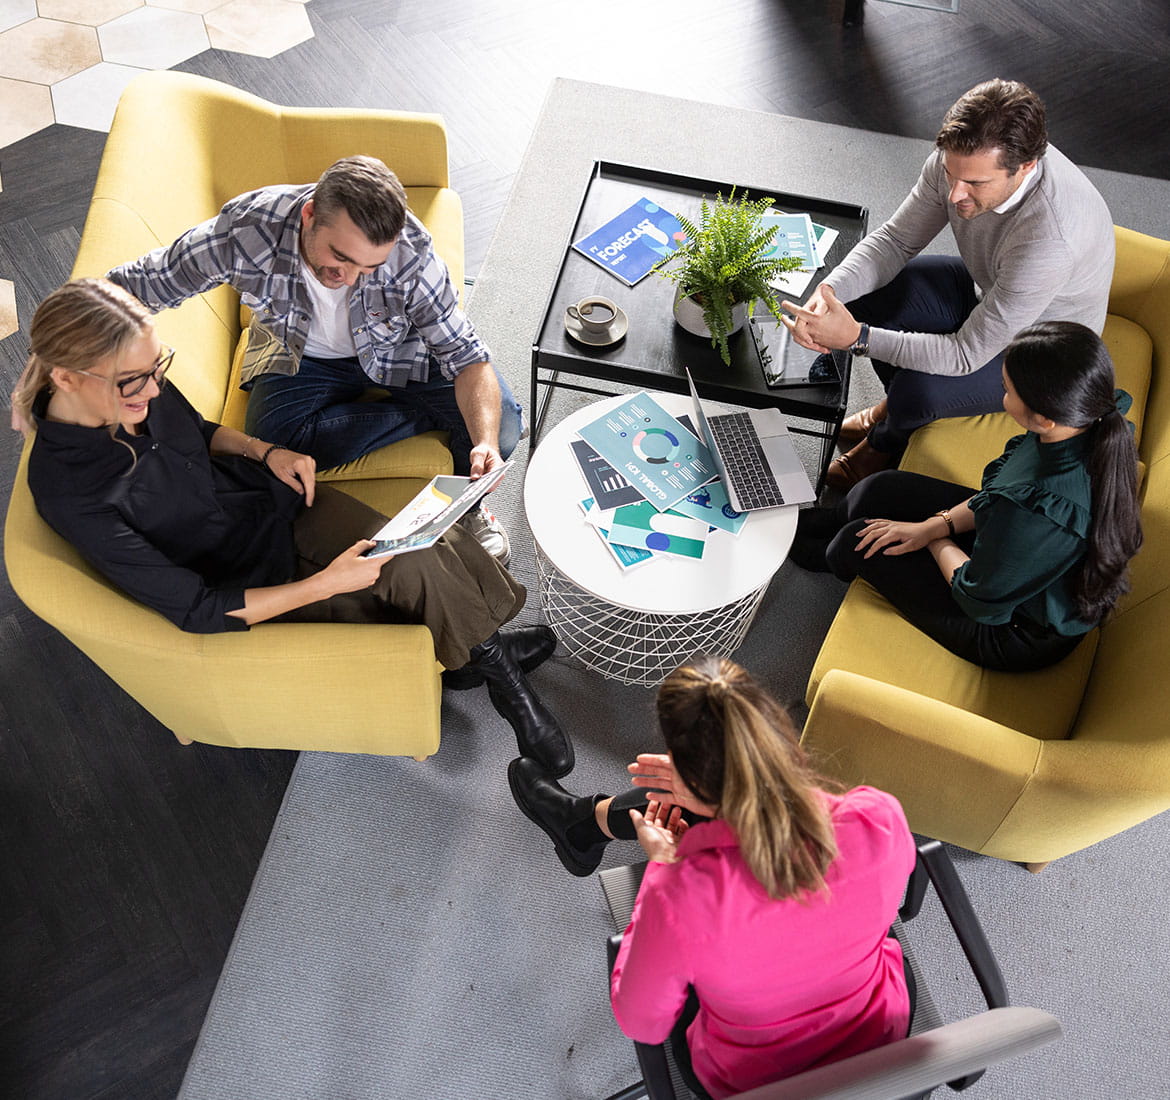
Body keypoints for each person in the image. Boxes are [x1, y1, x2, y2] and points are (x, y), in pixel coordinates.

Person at [10, 278, 571, 777]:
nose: (154, 390)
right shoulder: (69, 490)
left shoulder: (136, 386)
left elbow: (199, 430)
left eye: (159, 369)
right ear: (66, 377)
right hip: (251, 576)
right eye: (136, 382)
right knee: (399, 578)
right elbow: (199, 609)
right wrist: (326, 583)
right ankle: (502, 677)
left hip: (268, 501)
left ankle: (484, 659)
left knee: (426, 542)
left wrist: (265, 450)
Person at [507, 656, 917, 1100]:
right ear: (776, 731)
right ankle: (583, 824)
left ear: (698, 782)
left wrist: (664, 862)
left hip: (752, 1082)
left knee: (663, 808)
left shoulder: (681, 897)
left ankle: (582, 825)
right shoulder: (879, 820)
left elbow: (641, 1020)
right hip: (877, 1040)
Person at [105, 155, 522, 563]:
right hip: (299, 355)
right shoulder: (249, 231)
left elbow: (467, 356)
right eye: (340, 257)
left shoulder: (411, 255)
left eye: (369, 267)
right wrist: (66, 366)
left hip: (398, 350)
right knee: (276, 447)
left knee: (500, 423)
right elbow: (135, 285)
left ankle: (468, 509)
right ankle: (432, 416)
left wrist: (483, 439)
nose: (351, 277)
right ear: (308, 215)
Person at [780, 79, 1115, 491]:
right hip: (987, 289)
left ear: (1025, 167)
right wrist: (830, 293)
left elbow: (964, 355)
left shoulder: (1049, 241)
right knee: (869, 296)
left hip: (1038, 352)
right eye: (951, 173)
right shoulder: (957, 161)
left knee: (919, 388)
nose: (955, 193)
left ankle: (887, 437)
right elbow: (895, 241)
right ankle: (895, 407)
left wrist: (856, 338)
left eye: (975, 184)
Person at [791, 321, 1142, 672]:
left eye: (1006, 390)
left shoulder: (1039, 512)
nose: (1000, 394)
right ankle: (827, 519)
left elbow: (978, 597)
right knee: (878, 488)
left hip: (1009, 626)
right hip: (1012, 552)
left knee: (854, 543)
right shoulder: (1085, 422)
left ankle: (815, 551)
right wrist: (932, 526)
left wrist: (928, 538)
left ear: (1043, 417)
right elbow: (996, 498)